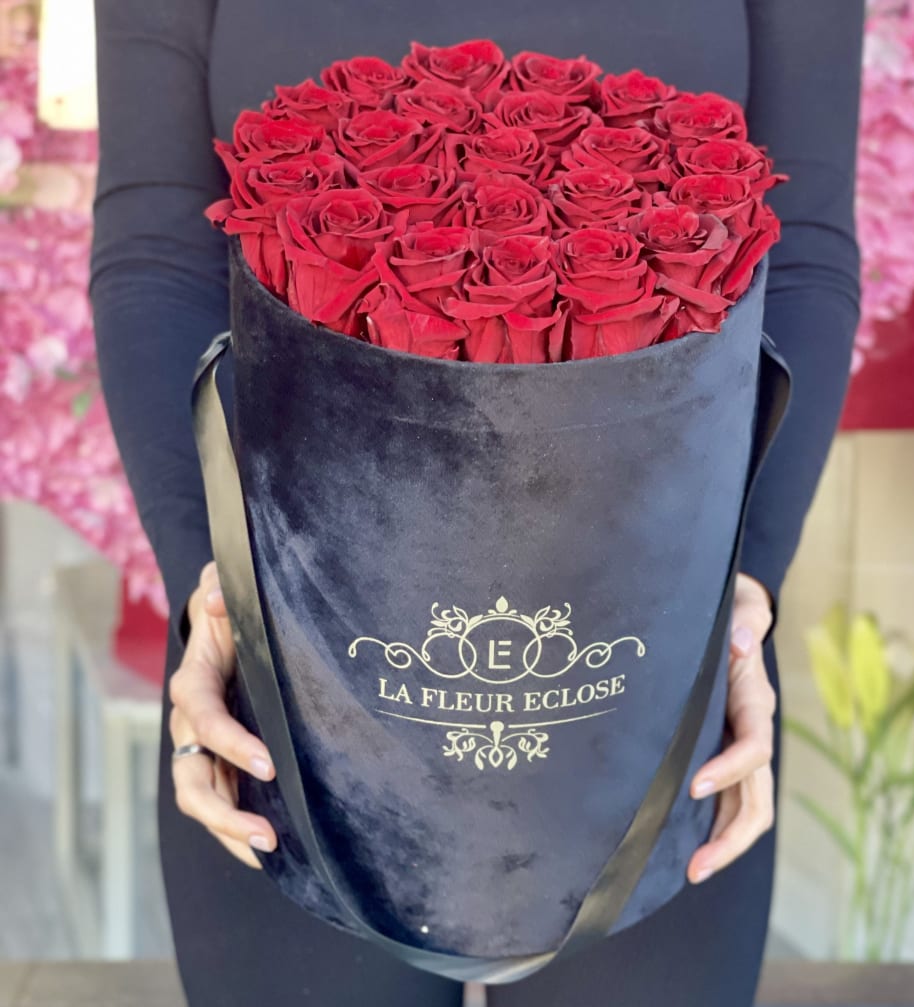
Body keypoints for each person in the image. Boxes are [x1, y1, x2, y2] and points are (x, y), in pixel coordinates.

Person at [88, 2, 864, 1004]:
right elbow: (155, 250)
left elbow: (801, 251)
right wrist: (217, 582)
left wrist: (742, 588)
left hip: (651, 669)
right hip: (286, 662)